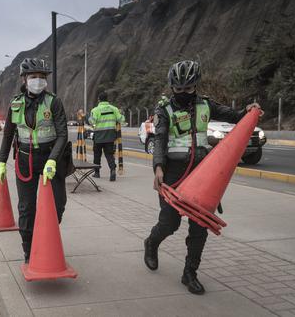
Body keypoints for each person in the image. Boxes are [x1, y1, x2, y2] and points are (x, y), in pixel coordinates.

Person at [144, 60, 263, 295]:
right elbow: (160, 139)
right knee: (170, 223)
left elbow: (235, 116)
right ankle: (151, 243)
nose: (183, 93)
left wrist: (249, 112)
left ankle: (190, 273)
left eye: (188, 89)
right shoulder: (164, 110)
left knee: (199, 227)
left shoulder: (206, 104)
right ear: (172, 87)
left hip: (202, 173)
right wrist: (158, 167)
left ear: (195, 86)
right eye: (178, 89)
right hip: (173, 174)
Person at [0, 58, 68, 263]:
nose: (38, 80)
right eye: (34, 77)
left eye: (42, 77)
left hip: (50, 159)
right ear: (24, 79)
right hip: (25, 160)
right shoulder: (15, 104)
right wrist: (1, 162)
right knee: (26, 208)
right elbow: (8, 135)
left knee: (58, 204)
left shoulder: (53, 102)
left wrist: (53, 160)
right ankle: (29, 250)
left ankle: (46, 235)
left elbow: (62, 134)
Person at [88, 92, 125, 181]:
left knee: (97, 154)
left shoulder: (95, 110)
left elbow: (92, 122)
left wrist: (88, 119)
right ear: (107, 99)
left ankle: (97, 173)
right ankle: (112, 170)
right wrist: (121, 113)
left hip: (99, 136)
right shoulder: (114, 109)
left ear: (99, 100)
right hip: (110, 135)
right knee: (109, 154)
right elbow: (121, 119)